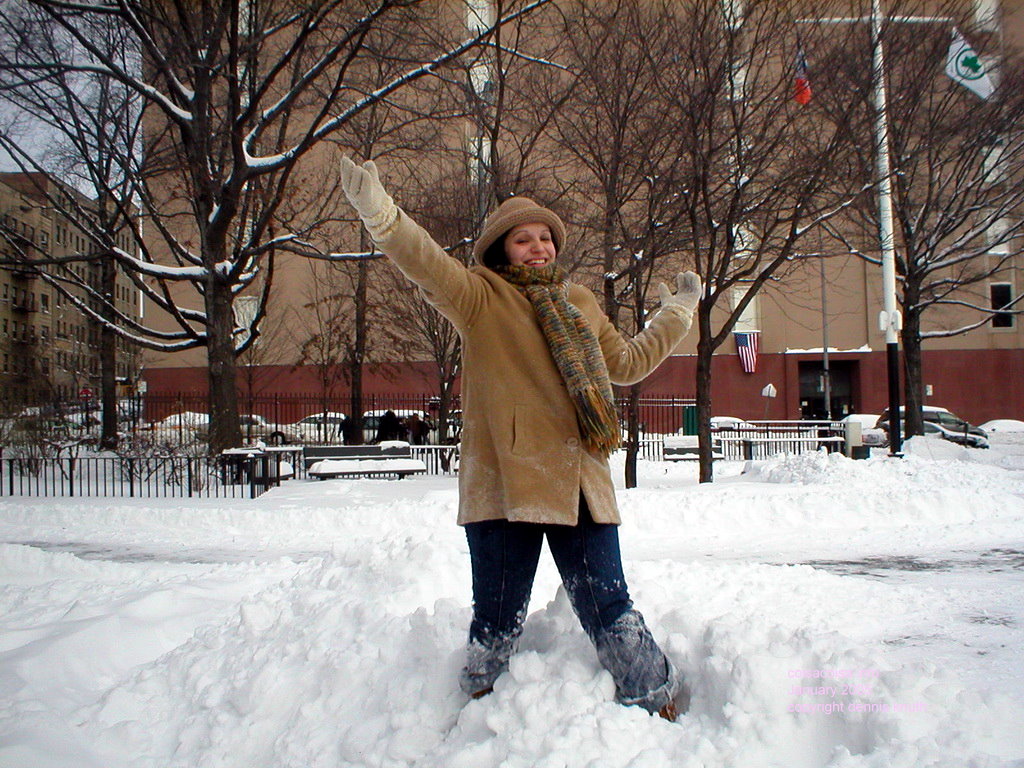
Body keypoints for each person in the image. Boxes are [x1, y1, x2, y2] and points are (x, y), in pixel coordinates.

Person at [339, 157, 701, 720]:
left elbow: (627, 362)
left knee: (609, 604)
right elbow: (426, 262)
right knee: (497, 615)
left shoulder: (579, 302)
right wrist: (379, 212)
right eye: (523, 240)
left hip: (580, 482)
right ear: (501, 250)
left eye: (545, 238)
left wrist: (678, 310)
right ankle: (479, 709)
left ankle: (655, 697)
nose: (538, 248)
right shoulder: (479, 297)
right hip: (506, 484)